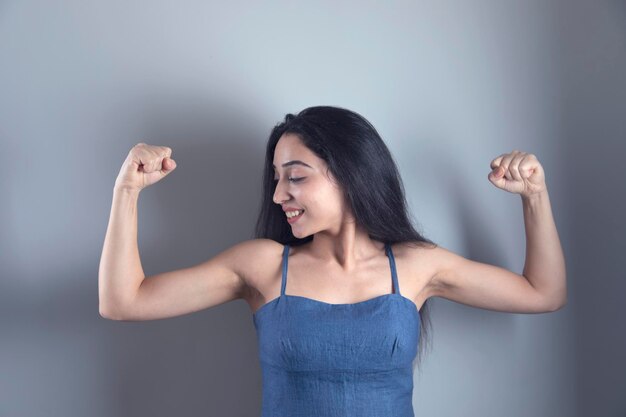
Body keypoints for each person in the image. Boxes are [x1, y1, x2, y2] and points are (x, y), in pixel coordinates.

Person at [99, 105, 567, 417]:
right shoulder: (262, 266)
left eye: (296, 177)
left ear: (349, 175)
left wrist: (535, 196)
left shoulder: (417, 265)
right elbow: (123, 301)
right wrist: (126, 192)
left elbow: (542, 293)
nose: (279, 194)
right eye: (277, 179)